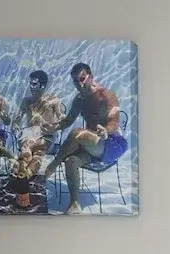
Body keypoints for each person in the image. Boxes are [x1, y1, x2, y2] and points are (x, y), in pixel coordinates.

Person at [44, 62, 127, 214]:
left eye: (82, 79)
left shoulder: (106, 95)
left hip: (112, 144)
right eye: (75, 81)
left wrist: (106, 130)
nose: (79, 84)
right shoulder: (79, 100)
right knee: (71, 160)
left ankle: (52, 166)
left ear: (91, 77)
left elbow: (115, 121)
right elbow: (67, 121)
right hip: (93, 147)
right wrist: (52, 127)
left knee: (77, 133)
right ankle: (75, 203)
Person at [11, 70, 65, 179]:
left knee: (37, 152)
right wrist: (15, 126)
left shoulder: (53, 101)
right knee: (27, 147)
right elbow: (17, 119)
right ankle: (23, 175)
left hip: (47, 135)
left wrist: (56, 125)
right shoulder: (26, 101)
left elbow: (62, 120)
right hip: (29, 134)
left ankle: (23, 175)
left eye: (34, 84)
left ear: (43, 85)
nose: (31, 87)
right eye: (30, 83)